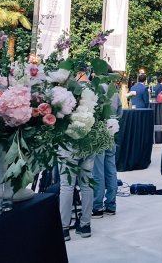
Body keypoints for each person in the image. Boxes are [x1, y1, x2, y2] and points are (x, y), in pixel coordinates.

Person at [60, 72, 95, 241]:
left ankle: (64, 228)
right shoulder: (93, 94)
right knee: (87, 185)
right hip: (87, 144)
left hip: (68, 143)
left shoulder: (65, 94)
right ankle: (85, 225)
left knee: (67, 186)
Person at [92, 71, 122, 219]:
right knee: (111, 169)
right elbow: (120, 113)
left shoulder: (95, 89)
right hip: (111, 133)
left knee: (98, 171)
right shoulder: (115, 92)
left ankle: (97, 206)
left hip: (99, 133)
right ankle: (111, 204)